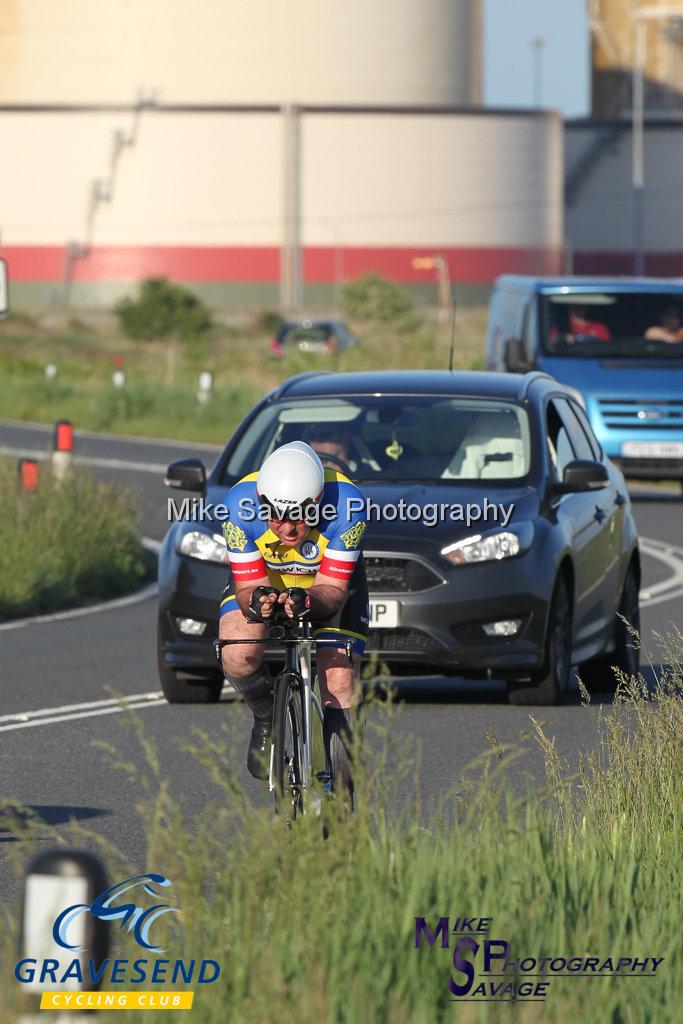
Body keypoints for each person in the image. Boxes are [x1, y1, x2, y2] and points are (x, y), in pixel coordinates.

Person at [218, 441, 368, 802]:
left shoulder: (349, 506)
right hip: (266, 577)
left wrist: (307, 601)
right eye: (275, 515)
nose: (286, 528)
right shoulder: (239, 507)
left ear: (317, 502)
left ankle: (342, 793)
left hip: (325, 584)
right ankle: (266, 714)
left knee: (339, 676)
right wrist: (257, 601)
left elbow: (332, 591)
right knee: (236, 654)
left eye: (299, 516)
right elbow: (248, 585)